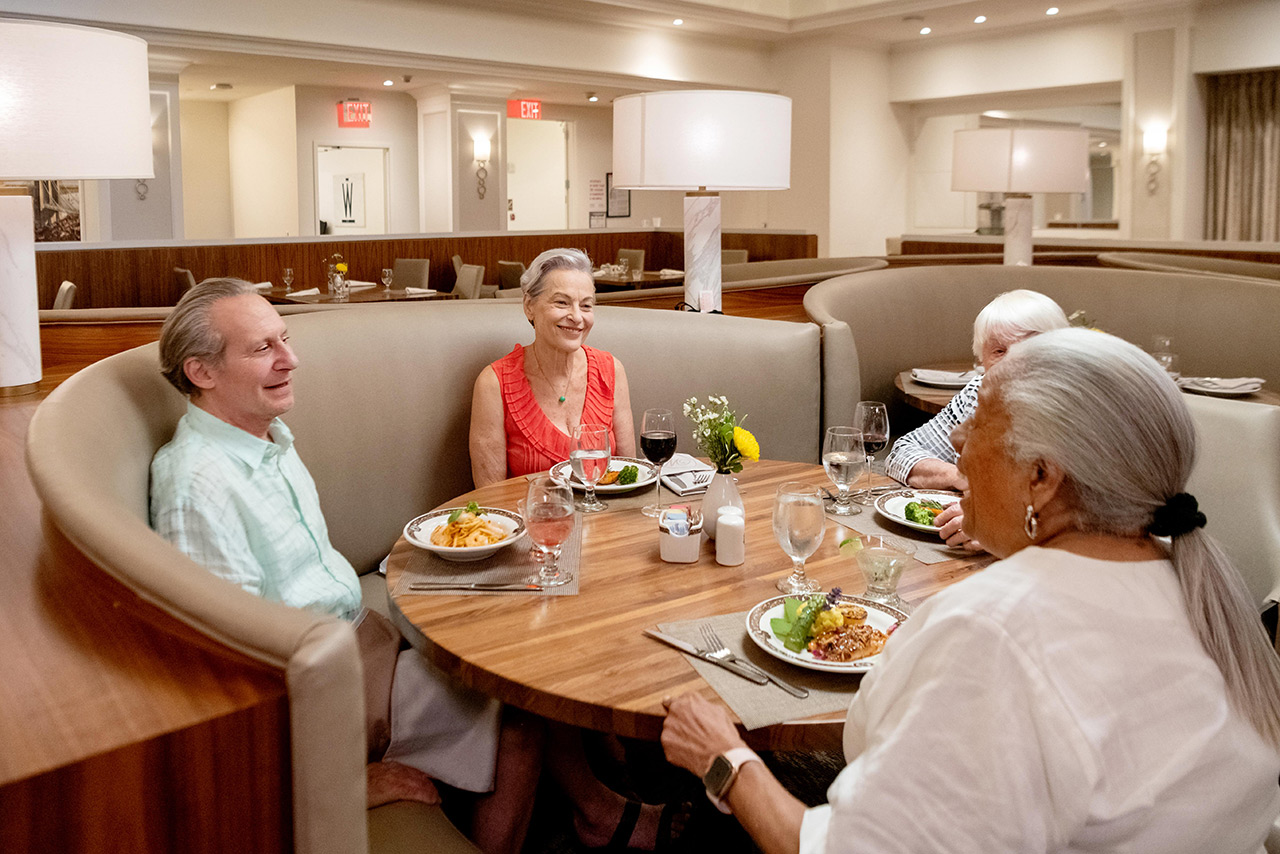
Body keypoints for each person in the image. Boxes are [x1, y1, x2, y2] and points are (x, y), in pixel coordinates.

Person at [661, 328, 1280, 854]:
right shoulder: (1199, 585)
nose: (956, 442)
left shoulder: (992, 632)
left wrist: (722, 759)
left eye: (979, 422)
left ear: (1040, 477)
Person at [149, 280, 675, 853]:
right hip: (324, 698)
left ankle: (598, 810)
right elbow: (228, 677)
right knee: (519, 709)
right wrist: (338, 783)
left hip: (363, 645)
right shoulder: (196, 485)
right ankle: (600, 814)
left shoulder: (265, 436)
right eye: (261, 349)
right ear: (201, 372)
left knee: (522, 668)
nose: (290, 359)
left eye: (285, 339)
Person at [885, 289, 1068, 548]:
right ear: (982, 360)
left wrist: (1002, 522)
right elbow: (902, 453)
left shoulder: (1077, 407)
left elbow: (1095, 511)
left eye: (1028, 347)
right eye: (999, 351)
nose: (1012, 361)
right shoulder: (979, 393)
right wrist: (965, 478)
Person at [470, 248, 635, 487]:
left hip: (605, 522)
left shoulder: (611, 371)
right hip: (529, 521)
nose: (577, 317)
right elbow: (489, 498)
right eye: (562, 302)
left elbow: (629, 479)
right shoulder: (494, 383)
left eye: (586, 306)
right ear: (529, 305)